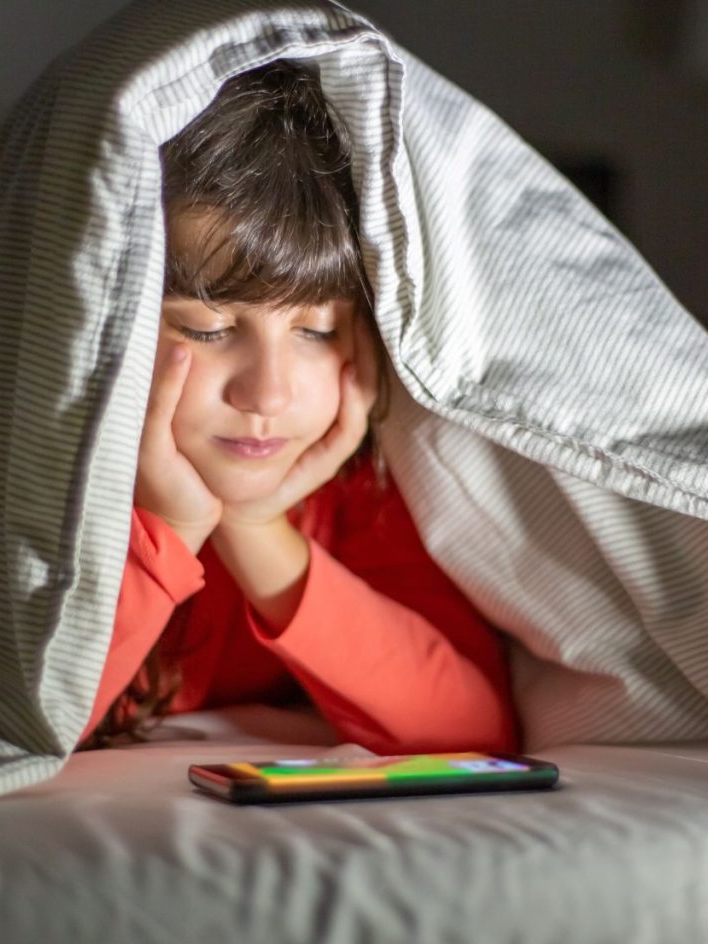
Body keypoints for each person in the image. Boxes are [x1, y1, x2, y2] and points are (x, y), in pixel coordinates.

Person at [76, 59, 517, 754]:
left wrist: (257, 527)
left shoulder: (355, 490)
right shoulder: (55, 479)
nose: (269, 395)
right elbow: (18, 714)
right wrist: (170, 527)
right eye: (209, 328)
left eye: (314, 331)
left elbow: (470, 729)